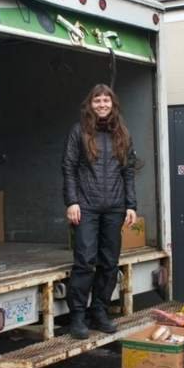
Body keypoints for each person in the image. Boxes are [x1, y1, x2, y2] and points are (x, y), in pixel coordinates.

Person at [62, 84, 137, 339]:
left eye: (106, 100)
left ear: (113, 104)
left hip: (114, 208)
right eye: (97, 100)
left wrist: (131, 205)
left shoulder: (122, 133)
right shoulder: (79, 131)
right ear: (90, 104)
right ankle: (78, 317)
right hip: (86, 207)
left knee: (109, 263)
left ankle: (100, 312)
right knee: (84, 262)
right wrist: (71, 202)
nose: (102, 104)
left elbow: (128, 171)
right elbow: (69, 167)